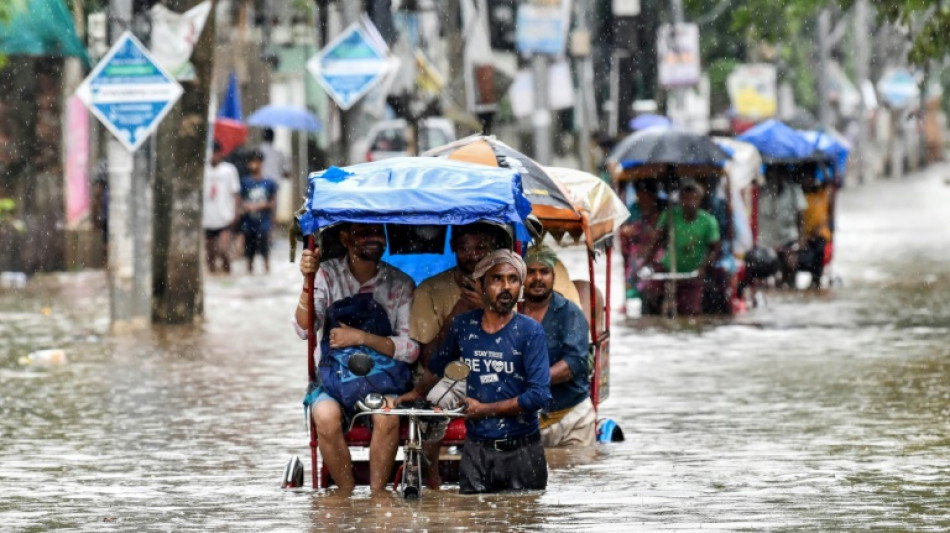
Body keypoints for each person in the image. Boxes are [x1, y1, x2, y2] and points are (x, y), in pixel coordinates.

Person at [399, 250, 552, 494]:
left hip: (523, 453)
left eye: (513, 279)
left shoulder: (530, 331)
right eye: (497, 279)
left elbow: (539, 396)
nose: (506, 287)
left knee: (524, 514)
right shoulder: (464, 325)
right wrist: (417, 392)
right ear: (480, 285)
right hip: (476, 452)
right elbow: (439, 365)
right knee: (473, 514)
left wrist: (485, 409)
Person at [294, 223, 419, 493]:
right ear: (345, 238)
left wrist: (362, 338)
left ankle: (377, 496)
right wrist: (307, 281)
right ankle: (345, 495)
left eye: (378, 232)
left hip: (383, 379)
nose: (373, 239)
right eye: (364, 232)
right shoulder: (326, 275)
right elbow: (304, 330)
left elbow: (411, 349)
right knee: (324, 415)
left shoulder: (401, 284)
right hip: (333, 380)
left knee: (387, 415)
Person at [409, 222, 507, 488]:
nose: (473, 255)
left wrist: (489, 309)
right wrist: (462, 309)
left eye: (481, 247)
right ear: (452, 247)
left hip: (494, 370)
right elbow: (430, 359)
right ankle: (431, 479)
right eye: (464, 248)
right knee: (434, 403)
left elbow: (513, 344)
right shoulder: (430, 290)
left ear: (493, 248)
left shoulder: (506, 287)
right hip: (444, 375)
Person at [522, 245, 595, 447]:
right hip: (526, 419)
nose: (538, 278)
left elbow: (574, 362)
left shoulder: (569, 312)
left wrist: (532, 381)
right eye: (531, 272)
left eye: (544, 272)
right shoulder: (510, 313)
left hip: (572, 418)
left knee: (574, 466)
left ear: (553, 276)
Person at [641, 179, 721, 316]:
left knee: (691, 310)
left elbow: (714, 249)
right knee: (651, 298)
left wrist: (703, 268)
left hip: (693, 272)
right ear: (681, 199)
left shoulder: (708, 221)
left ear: (699, 199)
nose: (690, 203)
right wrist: (646, 263)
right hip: (669, 268)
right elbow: (656, 242)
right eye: (686, 198)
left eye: (693, 199)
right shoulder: (670, 216)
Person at [757, 166, 806, 287]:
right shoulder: (762, 191)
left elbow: (801, 217)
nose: (776, 178)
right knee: (765, 271)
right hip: (767, 240)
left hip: (788, 238)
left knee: (791, 265)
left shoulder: (794, 191)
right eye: (773, 174)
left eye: (779, 174)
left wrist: (801, 239)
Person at [202, 141, 241, 274]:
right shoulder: (204, 170)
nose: (212, 156)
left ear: (220, 153)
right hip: (207, 218)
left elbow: (236, 193)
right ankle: (215, 278)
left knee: (224, 251)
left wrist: (236, 213)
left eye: (215, 153)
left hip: (224, 217)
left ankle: (227, 273)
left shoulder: (229, 170)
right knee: (210, 256)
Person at [239, 150, 279, 274]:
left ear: (262, 163)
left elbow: (273, 203)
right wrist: (247, 206)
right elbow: (239, 201)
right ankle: (249, 274)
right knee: (249, 254)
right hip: (248, 223)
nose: (254, 165)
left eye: (256, 162)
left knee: (265, 252)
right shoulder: (244, 182)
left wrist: (261, 206)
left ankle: (267, 272)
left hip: (264, 223)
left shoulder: (269, 183)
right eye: (251, 162)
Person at [799, 175, 834, 289]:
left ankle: (816, 279)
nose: (807, 181)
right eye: (805, 179)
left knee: (819, 250)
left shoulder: (821, 194)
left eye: (810, 178)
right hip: (805, 236)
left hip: (820, 235)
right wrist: (802, 237)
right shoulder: (800, 196)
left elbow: (829, 184)